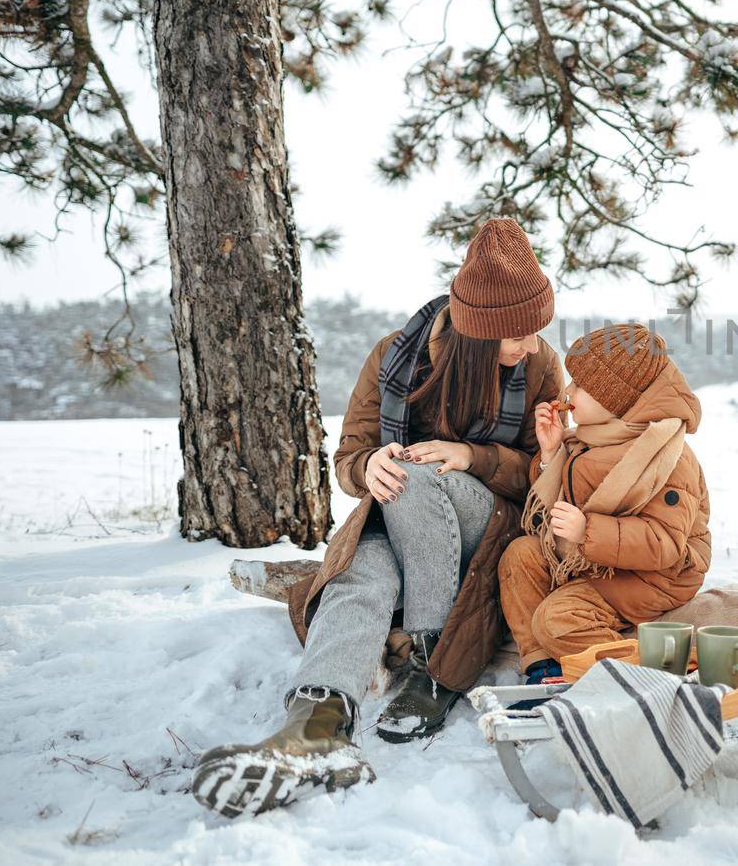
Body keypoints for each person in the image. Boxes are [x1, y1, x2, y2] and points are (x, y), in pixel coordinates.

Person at [191, 218, 562, 817]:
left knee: (418, 479)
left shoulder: (540, 370)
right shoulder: (395, 357)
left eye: (537, 328)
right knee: (362, 574)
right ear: (477, 334)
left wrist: (474, 456)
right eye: (517, 334)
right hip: (396, 520)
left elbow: (549, 473)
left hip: (488, 526)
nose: (534, 344)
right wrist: (370, 469)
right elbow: (348, 457)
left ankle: (430, 657)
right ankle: (315, 729)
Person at [497, 323, 710, 683]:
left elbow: (665, 544)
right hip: (597, 561)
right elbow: (565, 495)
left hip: (652, 577)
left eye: (580, 385)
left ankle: (650, 672)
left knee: (557, 619)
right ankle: (544, 666)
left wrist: (587, 530)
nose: (568, 391)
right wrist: (550, 454)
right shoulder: (590, 437)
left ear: (615, 398)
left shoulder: (664, 454)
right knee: (521, 556)